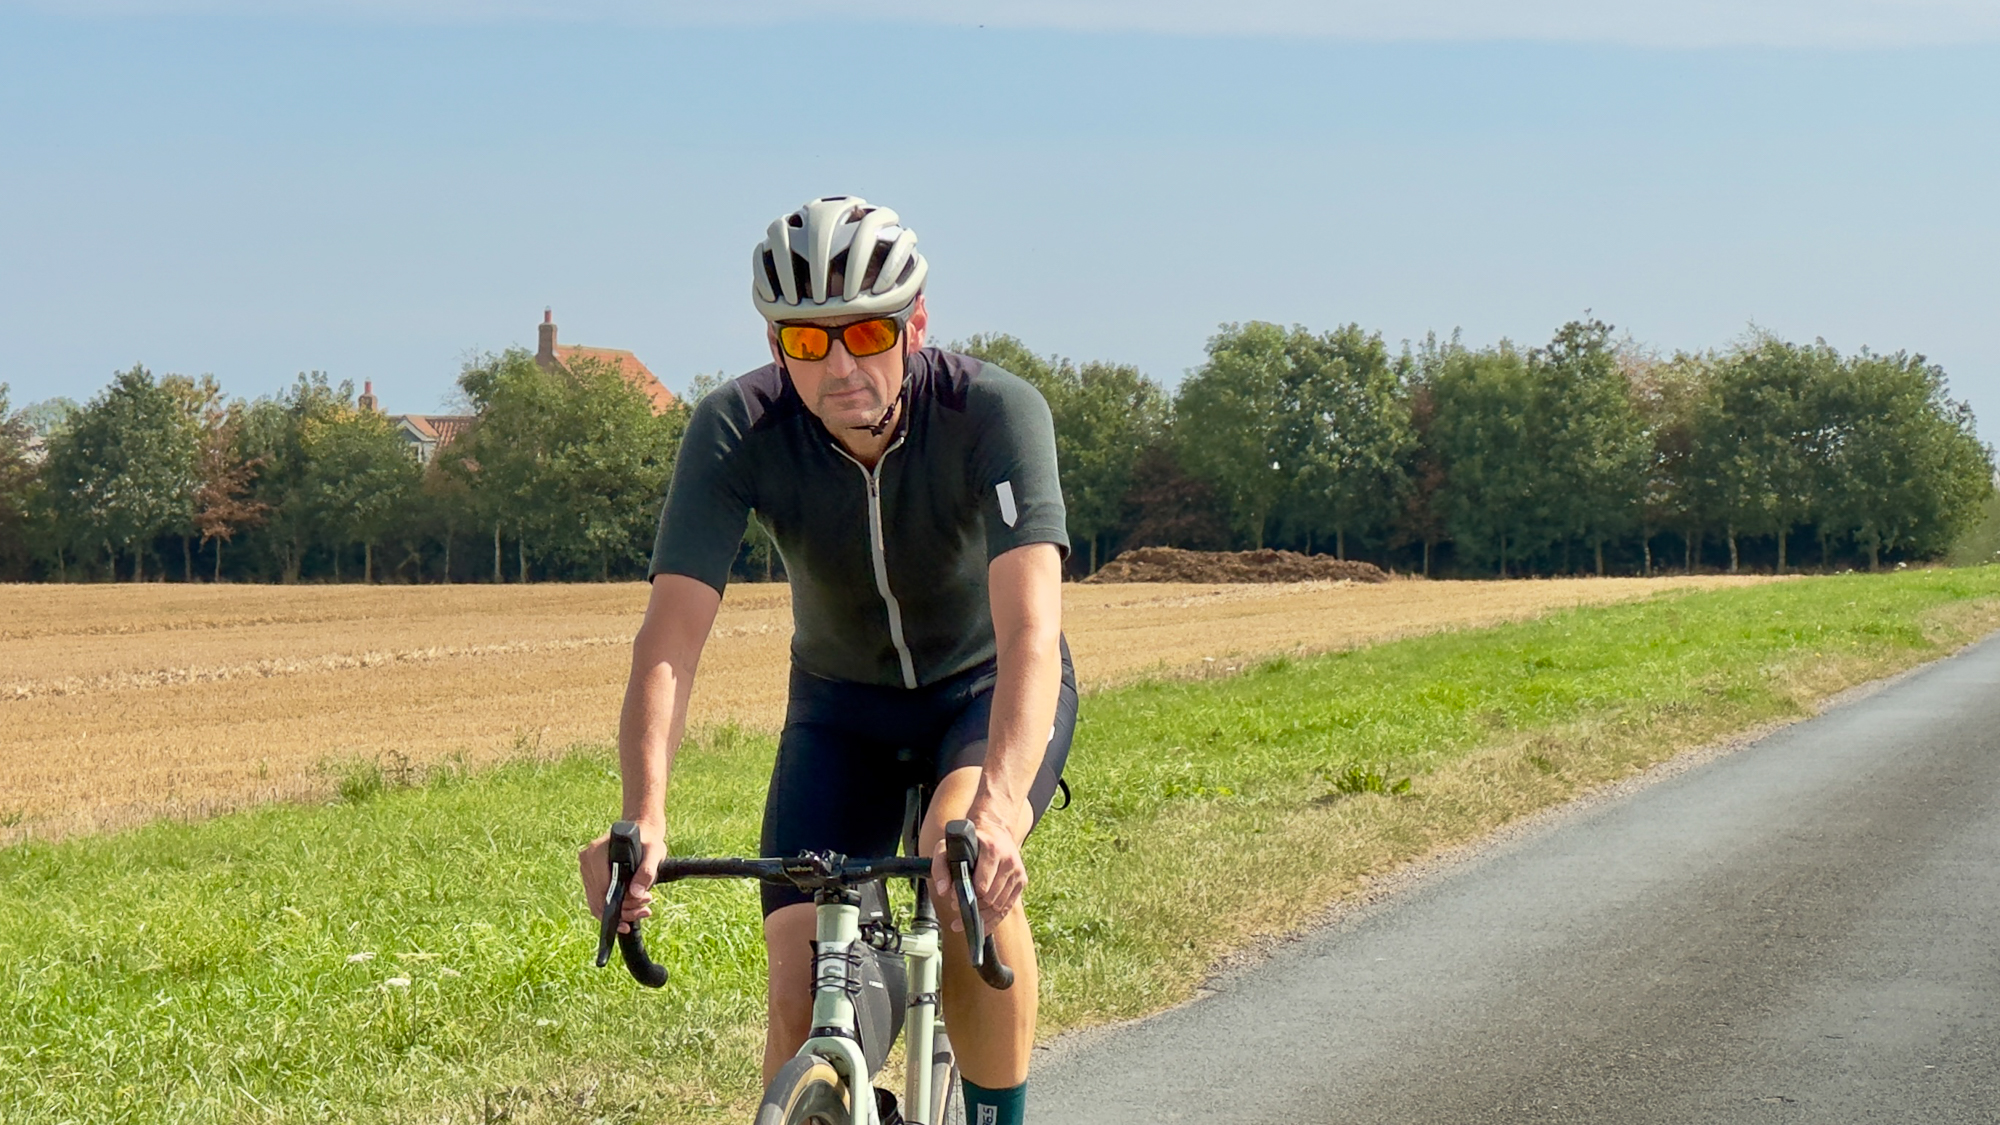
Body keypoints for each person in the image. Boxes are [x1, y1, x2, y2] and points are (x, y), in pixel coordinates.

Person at [578, 196, 1076, 1125]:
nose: (842, 366)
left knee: (958, 870)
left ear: (916, 324)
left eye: (869, 334)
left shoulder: (995, 413)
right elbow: (670, 638)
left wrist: (1002, 809)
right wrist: (641, 815)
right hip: (841, 709)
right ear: (776, 346)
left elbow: (1030, 636)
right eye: (809, 342)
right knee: (799, 970)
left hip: (983, 690)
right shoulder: (738, 430)